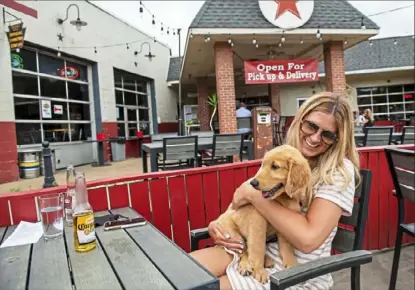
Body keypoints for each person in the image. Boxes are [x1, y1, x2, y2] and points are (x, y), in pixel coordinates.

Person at [190, 92, 360, 290]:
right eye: (311, 126)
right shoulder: (285, 155)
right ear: (299, 120)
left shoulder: (339, 172)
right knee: (180, 275)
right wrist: (219, 226)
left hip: (296, 273)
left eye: (327, 135)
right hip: (253, 249)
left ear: (338, 139)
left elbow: (308, 240)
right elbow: (239, 200)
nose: (314, 138)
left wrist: (254, 197)